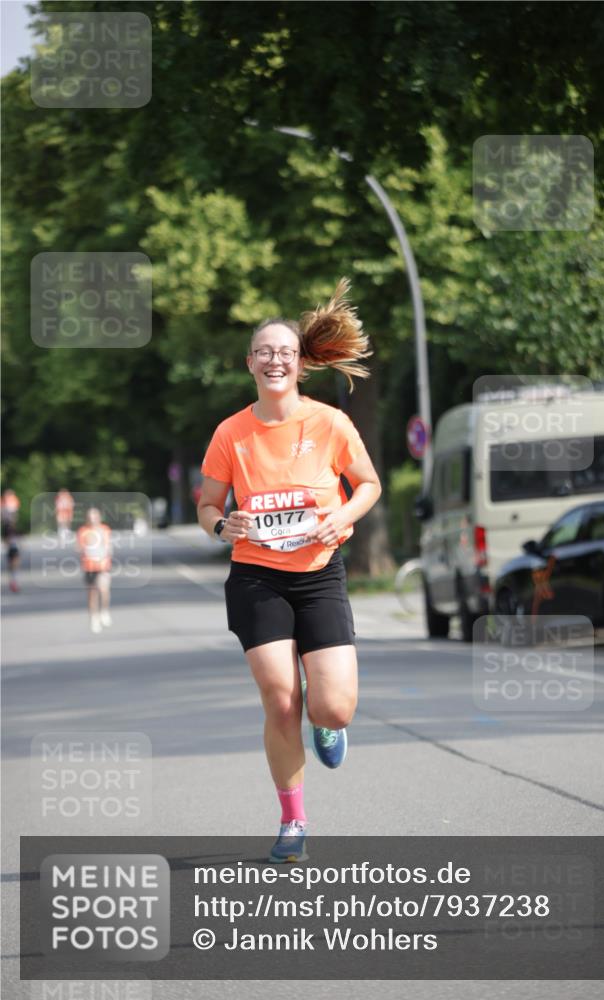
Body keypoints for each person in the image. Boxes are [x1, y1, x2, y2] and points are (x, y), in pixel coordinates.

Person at [198, 278, 381, 863]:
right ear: (250, 363)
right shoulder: (231, 433)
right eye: (265, 351)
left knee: (331, 706)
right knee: (281, 701)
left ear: (301, 365)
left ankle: (329, 725)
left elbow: (370, 486)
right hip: (257, 575)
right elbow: (207, 505)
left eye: (286, 352)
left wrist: (340, 518)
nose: (275, 359)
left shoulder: (329, 423)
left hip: (320, 570)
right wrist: (223, 526)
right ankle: (293, 821)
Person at [76, 507, 113, 633]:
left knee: (104, 590)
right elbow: (78, 548)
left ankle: (104, 611)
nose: (92, 520)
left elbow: (108, 546)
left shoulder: (105, 529)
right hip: (89, 566)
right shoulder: (83, 531)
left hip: (103, 565)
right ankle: (94, 617)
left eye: (95, 517)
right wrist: (85, 547)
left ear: (99, 518)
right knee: (92, 594)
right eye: (90, 518)